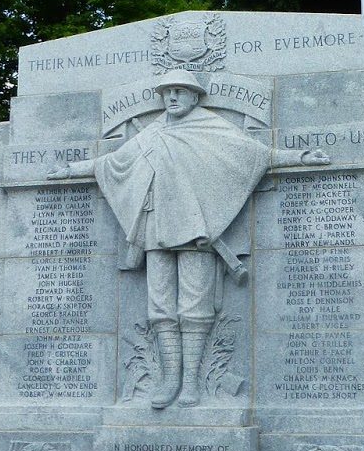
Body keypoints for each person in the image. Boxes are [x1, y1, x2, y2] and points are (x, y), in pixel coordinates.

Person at [52, 70, 328, 408]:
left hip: (197, 232)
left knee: (194, 308)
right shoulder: (153, 132)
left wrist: (297, 157)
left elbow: (252, 154)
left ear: (195, 97)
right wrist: (72, 169)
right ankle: (170, 380)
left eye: (181, 92)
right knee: (160, 307)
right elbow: (112, 163)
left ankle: (192, 385)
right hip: (154, 227)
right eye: (168, 92)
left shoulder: (210, 126)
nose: (172, 98)